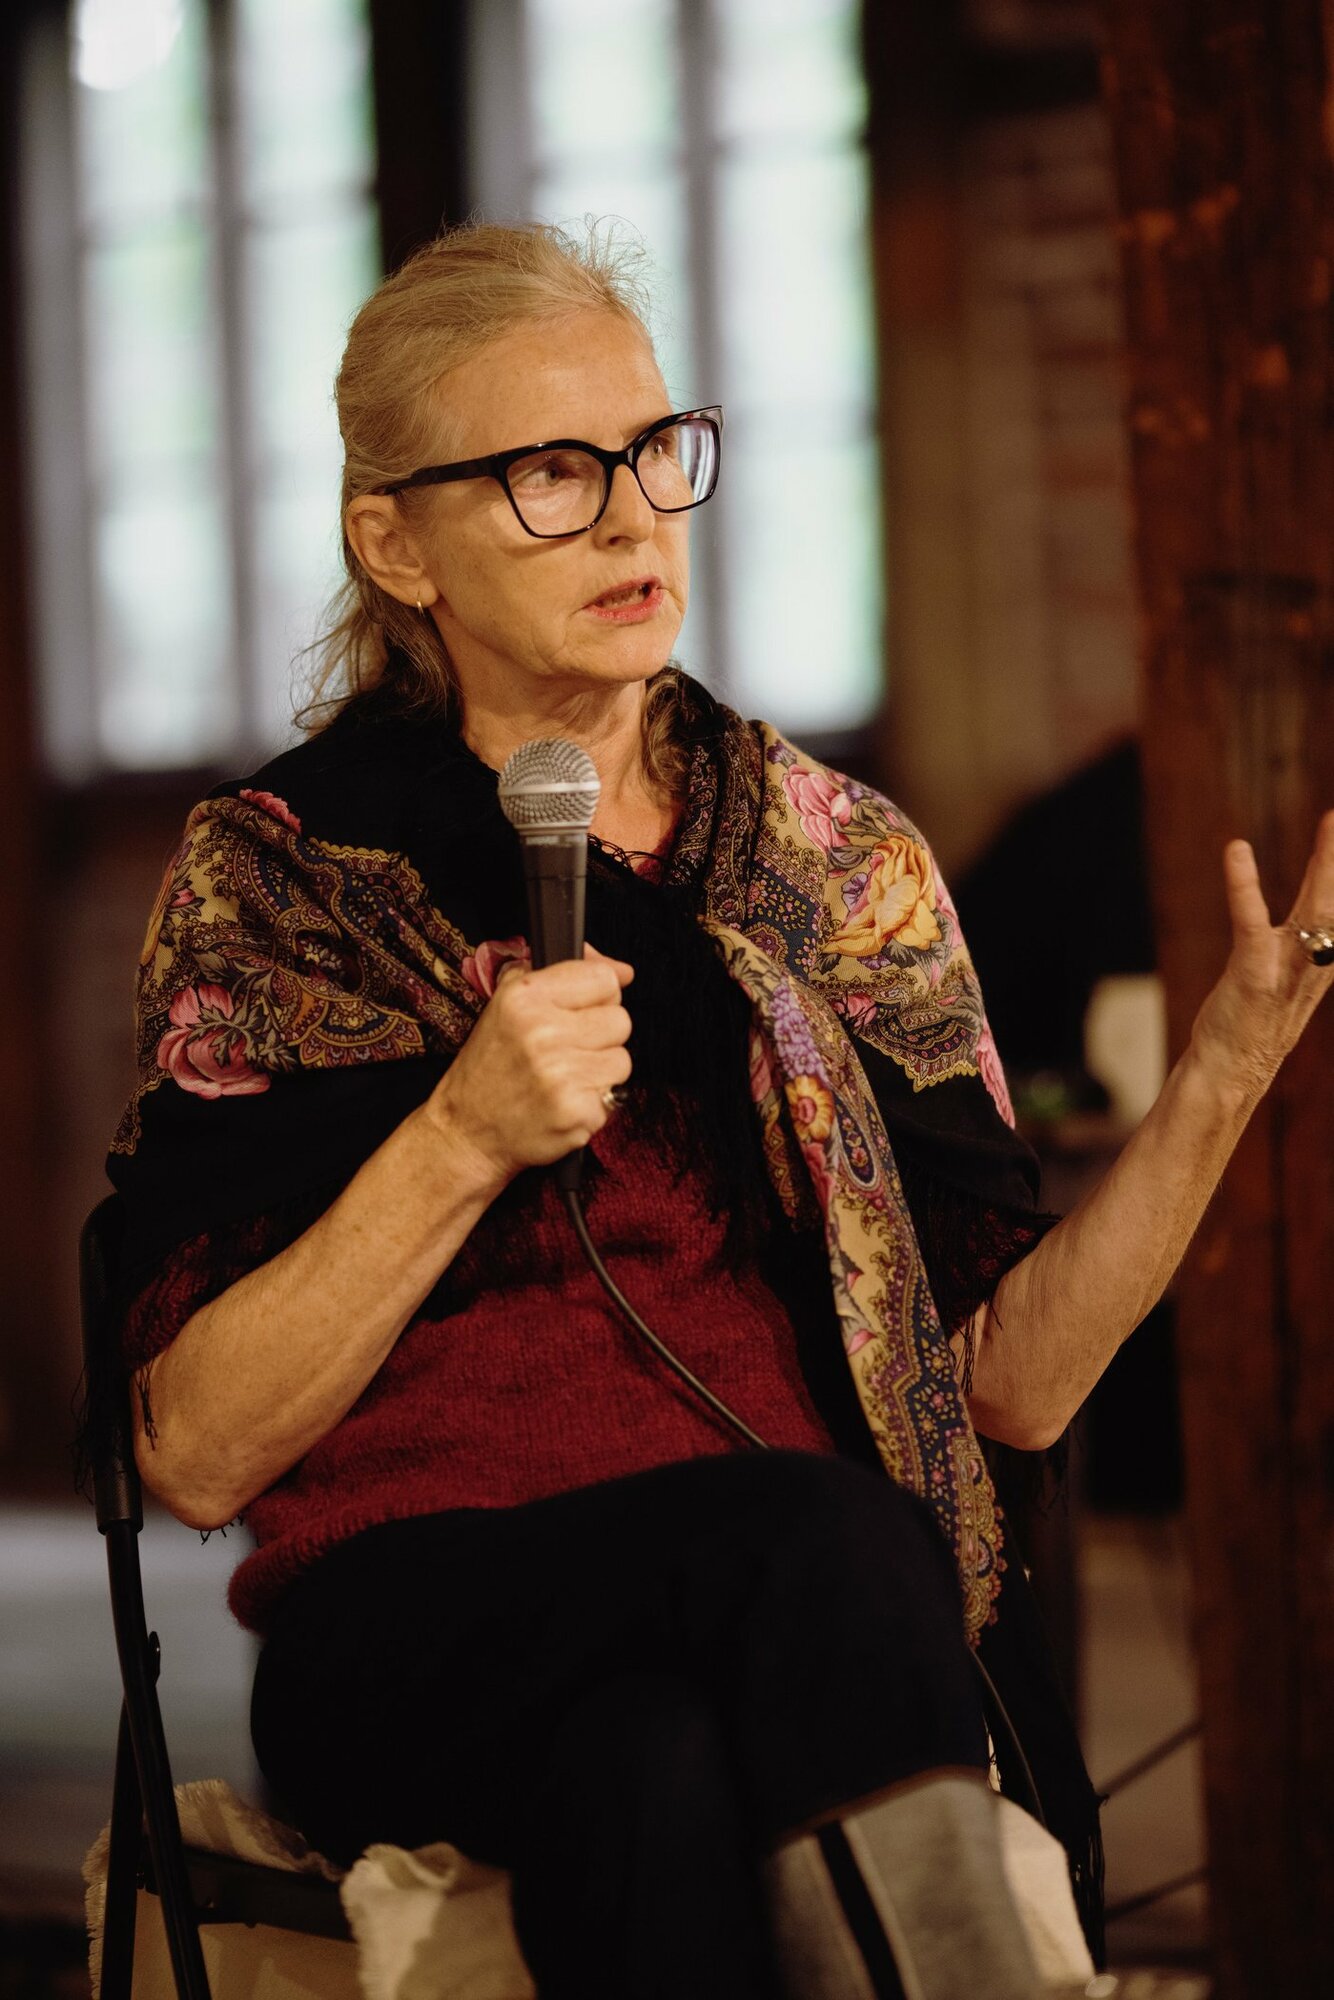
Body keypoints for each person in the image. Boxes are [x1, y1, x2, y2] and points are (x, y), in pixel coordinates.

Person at [105, 222, 1334, 2000]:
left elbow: (1012, 1383)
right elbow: (196, 1452)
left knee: (651, 1779)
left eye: (650, 450)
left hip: (790, 1616)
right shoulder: (279, 882)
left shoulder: (837, 863)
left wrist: (1227, 1070)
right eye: (545, 471)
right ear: (395, 542)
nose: (629, 517)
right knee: (828, 1531)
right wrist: (460, 1136)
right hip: (413, 1620)